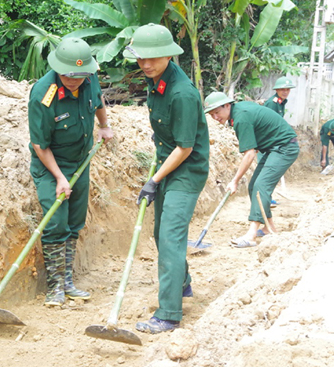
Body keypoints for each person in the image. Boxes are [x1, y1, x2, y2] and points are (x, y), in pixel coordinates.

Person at [123, 23, 210, 334]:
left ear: (168, 56)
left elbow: (185, 147)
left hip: (186, 170)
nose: (145, 64)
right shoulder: (156, 80)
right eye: (140, 58)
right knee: (162, 232)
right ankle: (182, 284)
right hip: (168, 164)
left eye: (153, 58)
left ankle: (169, 314)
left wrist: (153, 180)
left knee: (171, 237)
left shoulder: (182, 93)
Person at [27, 38, 114, 306]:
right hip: (51, 164)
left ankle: (67, 282)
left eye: (80, 75)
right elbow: (40, 145)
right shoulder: (43, 94)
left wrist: (104, 125)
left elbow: (98, 101)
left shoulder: (89, 79)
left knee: (74, 221)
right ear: (58, 68)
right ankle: (54, 286)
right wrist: (60, 177)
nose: (74, 80)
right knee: (56, 222)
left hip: (80, 161)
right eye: (69, 76)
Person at [204, 91, 299, 248]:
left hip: (285, 147)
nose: (215, 117)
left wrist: (234, 181)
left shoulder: (241, 118)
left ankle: (251, 235)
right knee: (253, 186)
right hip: (273, 148)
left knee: (261, 186)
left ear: (227, 105)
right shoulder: (238, 112)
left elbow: (249, 154)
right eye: (211, 114)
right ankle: (268, 227)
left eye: (217, 112)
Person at [262, 76, 296, 208]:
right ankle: (266, 199)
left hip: (274, 140)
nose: (285, 91)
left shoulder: (281, 102)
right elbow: (267, 123)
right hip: (268, 141)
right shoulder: (273, 103)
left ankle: (268, 197)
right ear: (277, 90)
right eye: (282, 89)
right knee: (267, 172)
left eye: (287, 89)